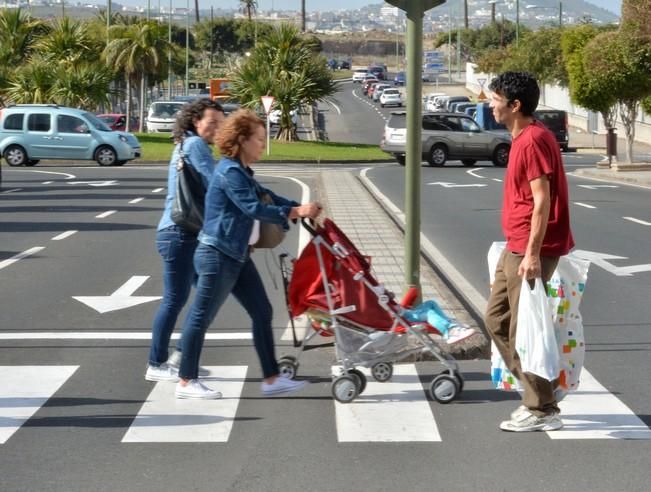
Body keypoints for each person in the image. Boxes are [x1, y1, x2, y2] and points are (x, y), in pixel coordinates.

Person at [175, 109, 322, 399]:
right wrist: (294, 211)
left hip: (237, 255)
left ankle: (271, 378)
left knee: (262, 311)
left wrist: (299, 208)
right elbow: (253, 208)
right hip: (217, 255)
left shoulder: (242, 172)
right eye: (259, 139)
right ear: (241, 140)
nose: (263, 146)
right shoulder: (230, 172)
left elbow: (267, 197)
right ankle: (186, 380)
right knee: (201, 316)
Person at [485, 72, 574, 432]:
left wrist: (534, 255)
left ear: (514, 105)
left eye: (495, 99)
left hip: (530, 250)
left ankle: (541, 408)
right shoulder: (525, 137)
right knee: (496, 321)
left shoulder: (534, 140)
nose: (490, 104)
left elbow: (542, 201)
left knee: (525, 330)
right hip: (517, 246)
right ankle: (543, 391)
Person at [145, 99, 225, 382]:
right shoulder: (195, 146)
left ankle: (182, 357)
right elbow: (217, 182)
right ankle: (157, 363)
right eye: (212, 122)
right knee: (175, 300)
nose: (218, 128)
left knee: (207, 296)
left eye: (221, 123)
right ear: (195, 122)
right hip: (179, 233)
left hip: (186, 233)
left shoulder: (186, 144)